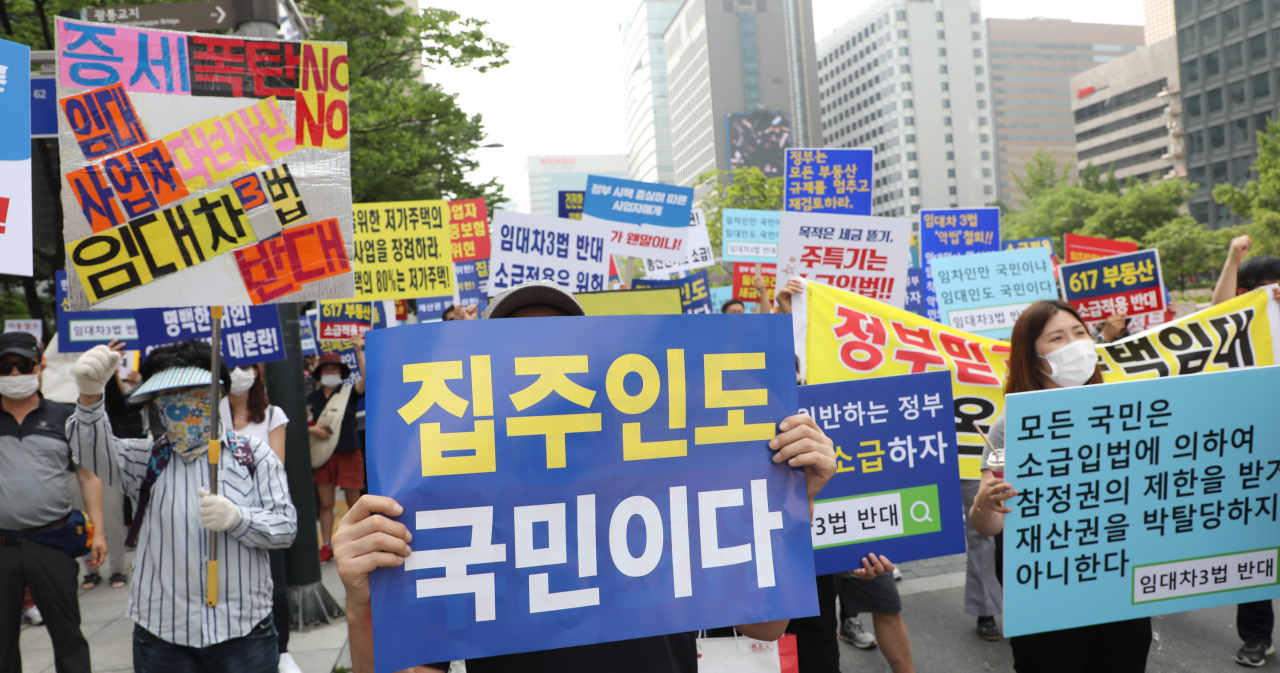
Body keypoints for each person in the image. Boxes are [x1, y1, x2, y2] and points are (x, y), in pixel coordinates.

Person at [333, 279, 856, 673]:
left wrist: (788, 497)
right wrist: (362, 607)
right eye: (514, 349)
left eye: (559, 342)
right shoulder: (449, 508)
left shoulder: (664, 480)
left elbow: (764, 624)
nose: (539, 364)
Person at [68, 340, 297, 673]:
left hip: (245, 630)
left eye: (194, 390)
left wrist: (237, 518)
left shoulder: (253, 455)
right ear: (156, 403)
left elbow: (285, 528)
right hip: (162, 635)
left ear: (217, 393)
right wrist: (89, 396)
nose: (183, 404)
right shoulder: (143, 458)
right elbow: (89, 451)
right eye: (169, 395)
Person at [969, 300, 1152, 672]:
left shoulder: (1124, 410)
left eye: (1080, 332)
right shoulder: (1009, 424)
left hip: (1117, 577)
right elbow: (988, 526)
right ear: (1032, 356)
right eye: (1057, 337)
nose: (1075, 344)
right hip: (1045, 588)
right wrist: (987, 503)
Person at [775, 279, 916, 670]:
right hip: (777, 592)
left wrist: (852, 546)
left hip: (819, 590)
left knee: (820, 649)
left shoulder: (847, 401)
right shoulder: (739, 422)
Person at [0, 331, 106, 673]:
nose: (15, 375)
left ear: (40, 366)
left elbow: (88, 475)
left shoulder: (65, 417)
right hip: (1, 545)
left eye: (24, 365)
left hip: (52, 541)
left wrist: (99, 532)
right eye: (5, 367)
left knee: (68, 636)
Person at [1211, 235, 1280, 667]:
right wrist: (1231, 261)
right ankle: (1256, 636)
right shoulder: (1237, 328)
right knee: (1252, 544)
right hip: (1253, 453)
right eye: (1266, 288)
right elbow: (1214, 316)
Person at [222, 362, 302, 673]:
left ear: (257, 371)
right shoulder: (212, 414)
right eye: (232, 366)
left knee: (275, 584)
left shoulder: (272, 414)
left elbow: (276, 463)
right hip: (224, 515)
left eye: (246, 365)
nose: (239, 372)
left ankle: (281, 650)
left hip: (265, 514)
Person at [308, 333, 367, 563]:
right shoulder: (311, 397)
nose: (330, 373)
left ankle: (360, 540)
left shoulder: (348, 392)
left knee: (354, 502)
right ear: (320, 373)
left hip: (349, 451)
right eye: (326, 369)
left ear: (341, 372)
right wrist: (312, 430)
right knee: (325, 503)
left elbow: (367, 377)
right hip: (323, 454)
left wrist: (358, 351)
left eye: (334, 369)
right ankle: (326, 544)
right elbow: (300, 423)